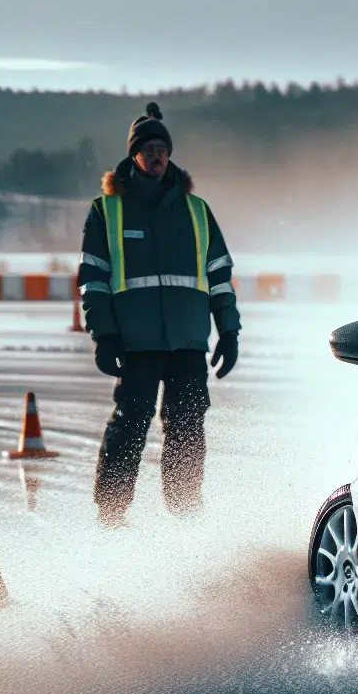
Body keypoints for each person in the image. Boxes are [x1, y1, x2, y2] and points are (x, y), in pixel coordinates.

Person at [77, 102, 241, 526]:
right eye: (147, 149)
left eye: (161, 149)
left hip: (188, 341)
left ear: (169, 154)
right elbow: (94, 279)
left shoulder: (196, 210)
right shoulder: (107, 210)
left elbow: (219, 274)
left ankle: (185, 511)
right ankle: (111, 514)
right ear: (134, 154)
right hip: (138, 341)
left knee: (187, 426)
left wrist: (229, 330)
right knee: (131, 423)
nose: (155, 156)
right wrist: (105, 336)